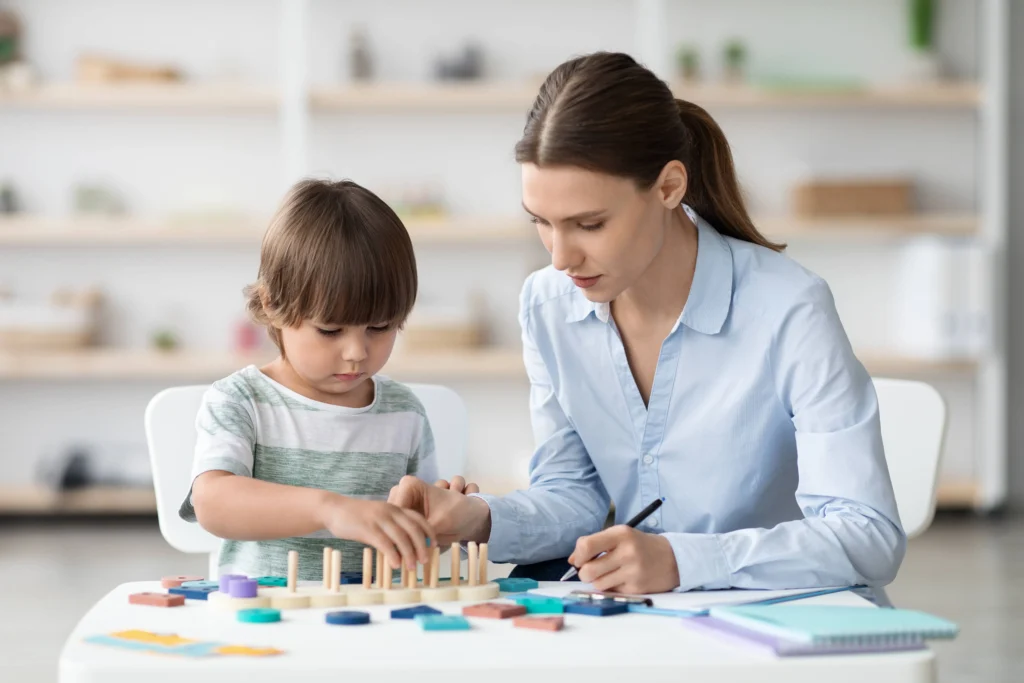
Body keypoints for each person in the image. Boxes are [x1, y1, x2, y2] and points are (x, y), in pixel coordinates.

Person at [389, 52, 905, 595]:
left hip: (780, 619)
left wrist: (685, 562)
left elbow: (867, 536)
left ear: (668, 188)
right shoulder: (547, 305)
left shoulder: (789, 308)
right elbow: (575, 496)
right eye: (541, 222)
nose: (560, 256)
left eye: (588, 224)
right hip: (643, 619)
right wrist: (476, 518)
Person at [180, 178, 447, 580]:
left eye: (380, 327)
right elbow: (213, 503)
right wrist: (329, 508)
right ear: (273, 305)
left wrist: (442, 515)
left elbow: (427, 529)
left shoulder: (404, 412)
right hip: (267, 622)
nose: (357, 351)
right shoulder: (240, 400)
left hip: (380, 622)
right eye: (330, 330)